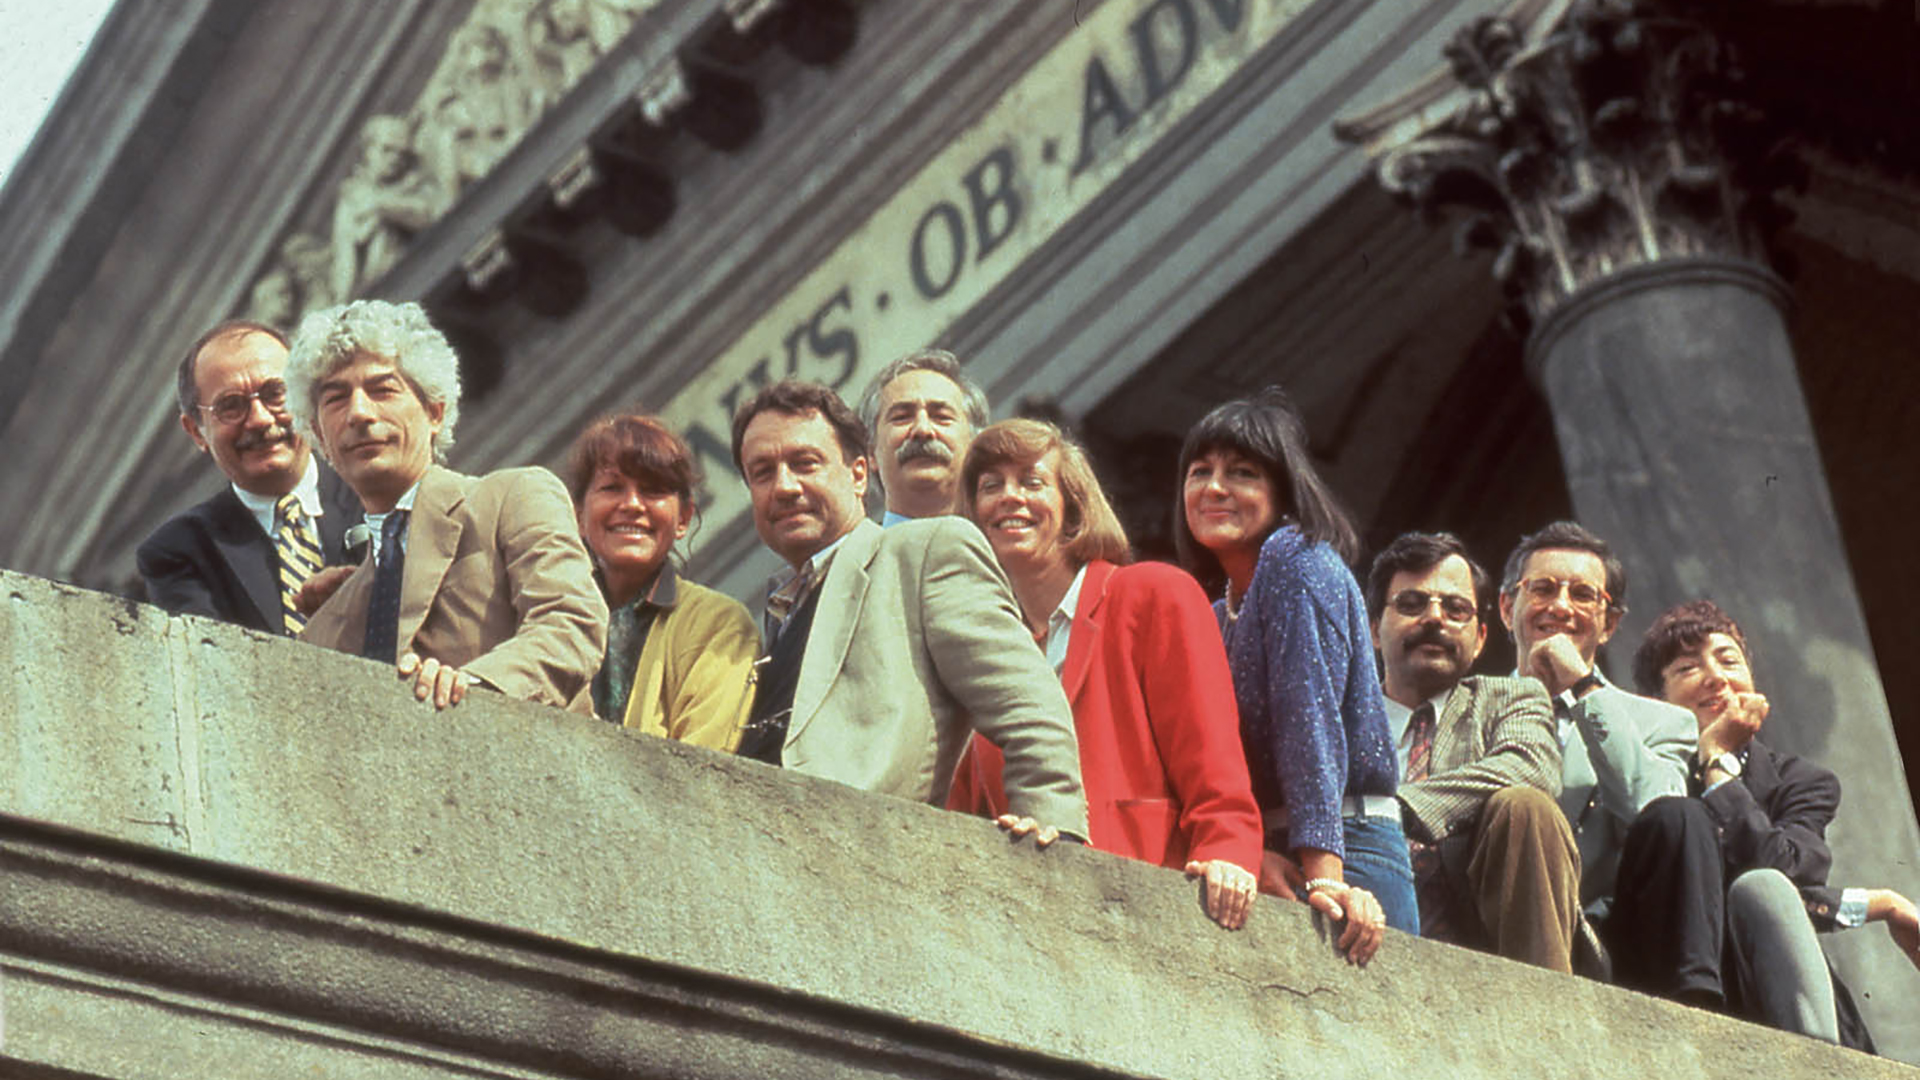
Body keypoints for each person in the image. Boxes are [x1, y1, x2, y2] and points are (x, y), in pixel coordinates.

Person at [730, 380, 1086, 840]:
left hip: (862, 852)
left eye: (805, 464)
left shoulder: (925, 551)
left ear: (859, 474)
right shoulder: (778, 612)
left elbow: (1028, 703)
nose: (784, 486)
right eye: (762, 473)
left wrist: (1053, 828)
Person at [945, 419, 1263, 930]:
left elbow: (1211, 756)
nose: (1009, 497)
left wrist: (1228, 852)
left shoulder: (1153, 594)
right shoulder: (982, 649)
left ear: (1073, 506)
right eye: (990, 486)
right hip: (1025, 924)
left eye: (1031, 481)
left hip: (1148, 908)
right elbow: (961, 812)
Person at [1174, 389, 1411, 961]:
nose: (1215, 488)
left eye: (1242, 473)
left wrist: (1326, 876)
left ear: (1283, 492)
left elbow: (1310, 720)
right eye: (1200, 471)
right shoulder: (1217, 612)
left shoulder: (1296, 558)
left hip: (1347, 851)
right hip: (1274, 852)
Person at [288, 300, 607, 713]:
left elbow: (570, 626)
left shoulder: (513, 498)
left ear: (434, 412)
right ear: (319, 436)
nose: (360, 413)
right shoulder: (323, 631)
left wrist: (473, 687)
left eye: (383, 390)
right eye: (336, 399)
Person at [1636, 599, 1917, 1049]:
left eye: (1729, 660)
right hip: (1674, 987)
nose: (1716, 677)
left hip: (1776, 991)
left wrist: (1716, 765)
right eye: (1687, 668)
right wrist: (1877, 903)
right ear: (1657, 700)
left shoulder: (1801, 781)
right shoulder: (1645, 773)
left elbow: (1783, 877)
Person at [1496, 521, 1700, 987]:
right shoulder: (1464, 706)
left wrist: (1583, 688)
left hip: (1603, 960)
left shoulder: (1664, 722)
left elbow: (1657, 818)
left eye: (1583, 595)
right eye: (1542, 588)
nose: (1560, 606)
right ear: (1508, 608)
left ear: (1609, 624)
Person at [1366, 531, 1577, 970]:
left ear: (1480, 638)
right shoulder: (1337, 717)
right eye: (1412, 603)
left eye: (1456, 609)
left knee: (1525, 805)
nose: (1435, 618)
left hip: (1482, 944)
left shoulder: (1510, 698)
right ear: (1372, 630)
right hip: (1359, 932)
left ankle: (1542, 999)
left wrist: (1394, 809)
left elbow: (1531, 767)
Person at [138, 321, 362, 635]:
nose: (259, 419)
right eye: (231, 406)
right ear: (196, 431)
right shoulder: (179, 552)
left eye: (275, 393)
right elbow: (212, 658)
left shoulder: (378, 493)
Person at [565, 413, 757, 749]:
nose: (632, 504)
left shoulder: (719, 626)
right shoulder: (551, 620)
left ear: (683, 518)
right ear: (579, 515)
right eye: (612, 488)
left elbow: (702, 762)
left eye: (652, 490)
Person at [855, 348, 988, 524]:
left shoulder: (1011, 540)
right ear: (871, 452)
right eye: (901, 417)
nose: (922, 430)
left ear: (975, 444)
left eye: (941, 417)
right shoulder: (858, 544)